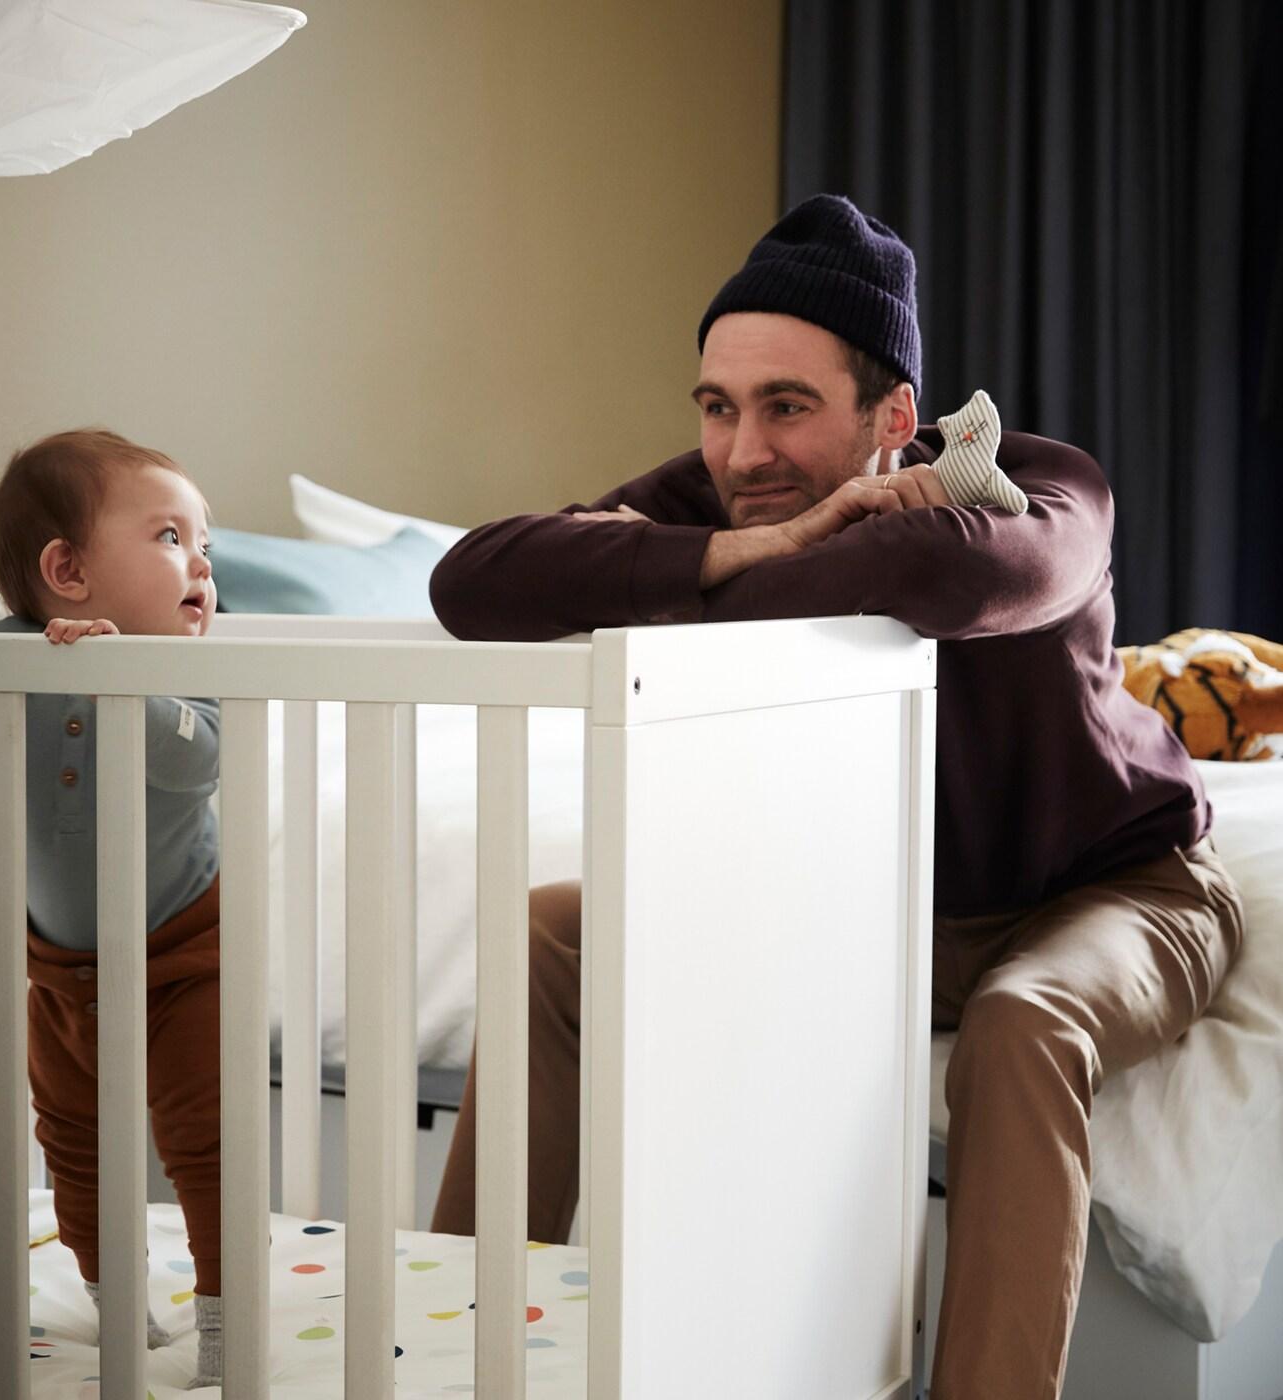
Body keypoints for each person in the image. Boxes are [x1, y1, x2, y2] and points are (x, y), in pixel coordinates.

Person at [425, 195, 1244, 1400]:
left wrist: (680, 576)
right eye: (717, 406)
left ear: (894, 416)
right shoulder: (728, 506)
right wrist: (751, 545)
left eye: (786, 407)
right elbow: (473, 578)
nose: (742, 450)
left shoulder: (1042, 486)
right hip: (878, 914)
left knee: (1021, 1028)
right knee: (551, 924)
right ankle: (459, 1353)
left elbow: (939, 575)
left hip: (1115, 885)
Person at [0, 429, 227, 1387]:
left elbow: (198, 758)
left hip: (186, 957)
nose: (202, 563)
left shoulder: (182, 669)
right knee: (74, 1146)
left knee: (203, 1146)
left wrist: (119, 681)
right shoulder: (6, 663)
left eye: (207, 544)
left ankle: (221, 1322)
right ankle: (114, 1301)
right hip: (59, 970)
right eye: (171, 535)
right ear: (66, 571)